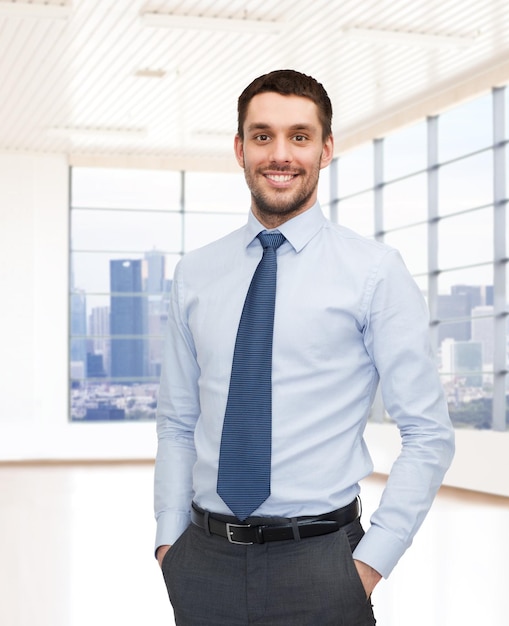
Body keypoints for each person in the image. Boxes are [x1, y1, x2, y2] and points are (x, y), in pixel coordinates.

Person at [154, 69, 455, 625]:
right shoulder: (195, 274)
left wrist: (368, 565)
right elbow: (177, 420)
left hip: (323, 565)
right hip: (202, 562)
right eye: (263, 136)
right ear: (240, 149)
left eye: (300, 136)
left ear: (326, 148)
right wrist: (169, 542)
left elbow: (428, 433)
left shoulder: (374, 273)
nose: (280, 154)